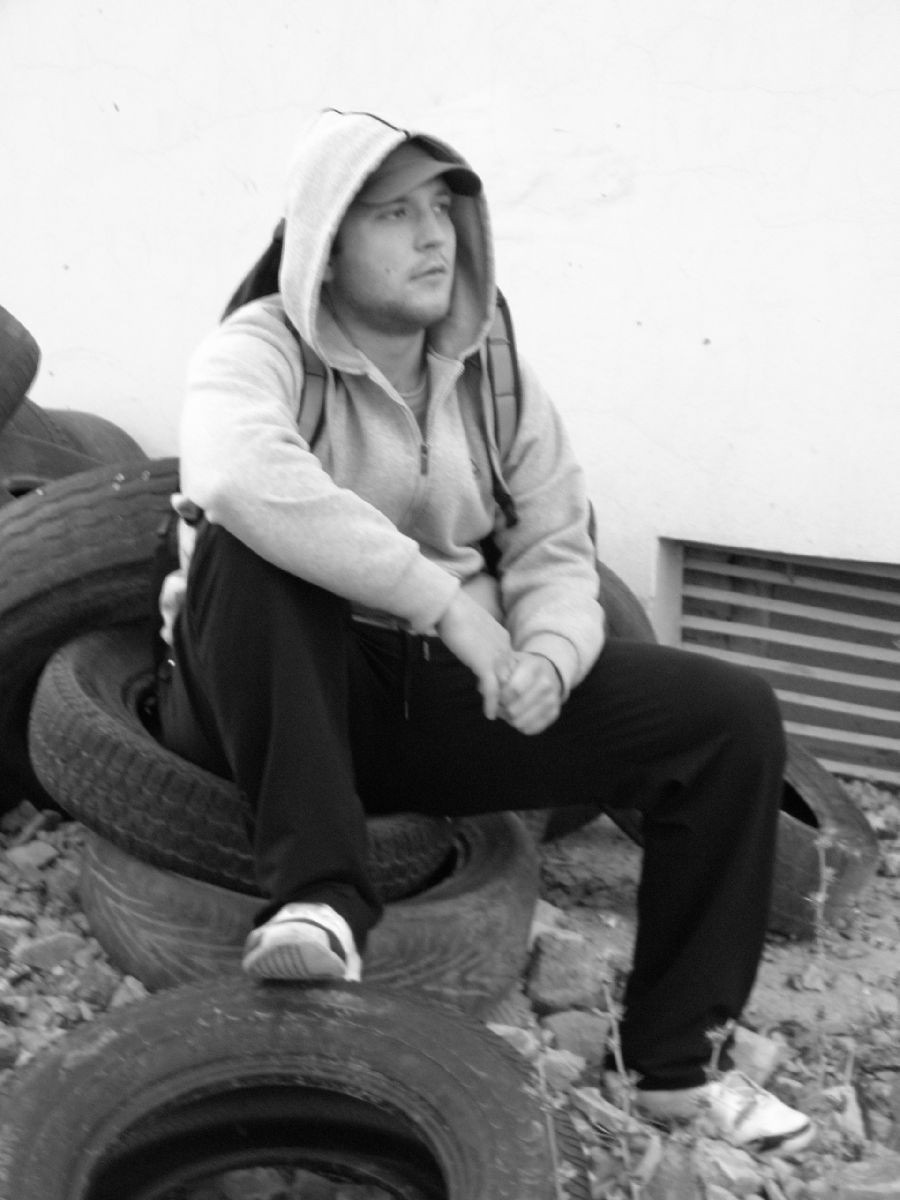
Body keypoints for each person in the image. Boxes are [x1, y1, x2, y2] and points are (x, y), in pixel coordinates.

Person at [157, 107, 813, 1154]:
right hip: (264, 693)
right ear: (324, 244)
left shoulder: (494, 373)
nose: (434, 237)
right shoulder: (258, 350)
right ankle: (321, 900)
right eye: (393, 214)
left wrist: (549, 655)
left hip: (426, 700)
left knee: (728, 716)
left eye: (443, 209)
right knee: (258, 546)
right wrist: (450, 605)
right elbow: (238, 476)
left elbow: (556, 538)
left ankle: (676, 1068)